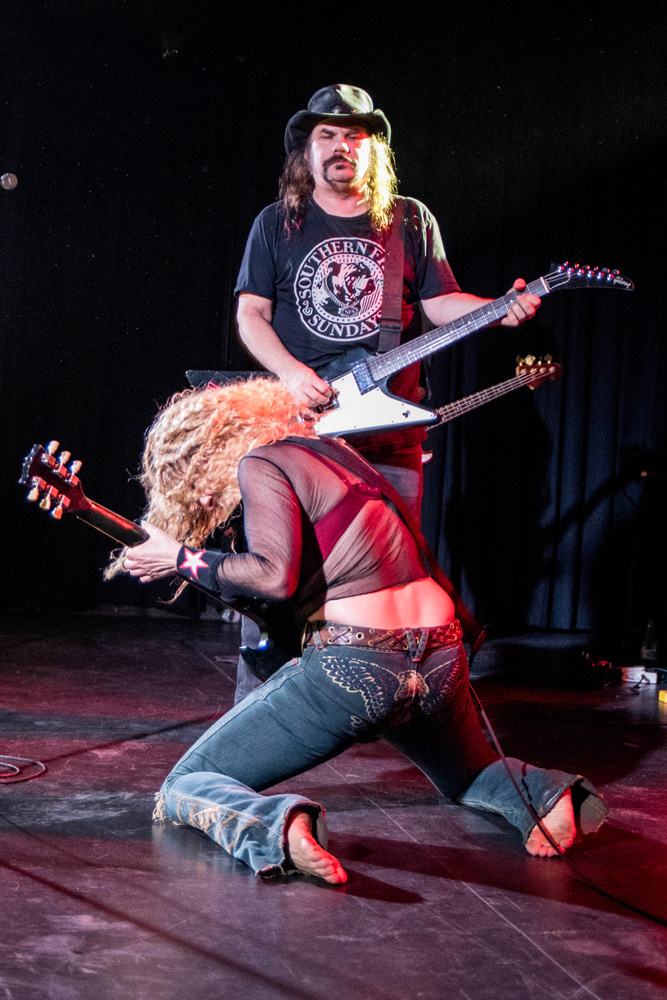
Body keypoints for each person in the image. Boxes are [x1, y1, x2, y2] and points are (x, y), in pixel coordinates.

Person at [119, 378, 607, 884]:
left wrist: (180, 558)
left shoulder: (262, 461)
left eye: (195, 478)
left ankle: (276, 825)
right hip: (441, 654)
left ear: (212, 449)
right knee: (470, 774)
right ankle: (546, 796)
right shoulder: (340, 453)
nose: (203, 497)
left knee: (187, 782)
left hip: (358, 663)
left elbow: (273, 576)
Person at [234, 84, 542, 699]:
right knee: (277, 570)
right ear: (306, 151)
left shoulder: (409, 219)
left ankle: (377, 704)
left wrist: (496, 309)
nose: (341, 146)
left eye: (355, 135)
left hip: (388, 431)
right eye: (327, 135)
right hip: (299, 425)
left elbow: (439, 303)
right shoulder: (276, 223)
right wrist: (291, 373)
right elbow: (251, 314)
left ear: (374, 150)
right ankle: (256, 704)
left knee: (388, 574)